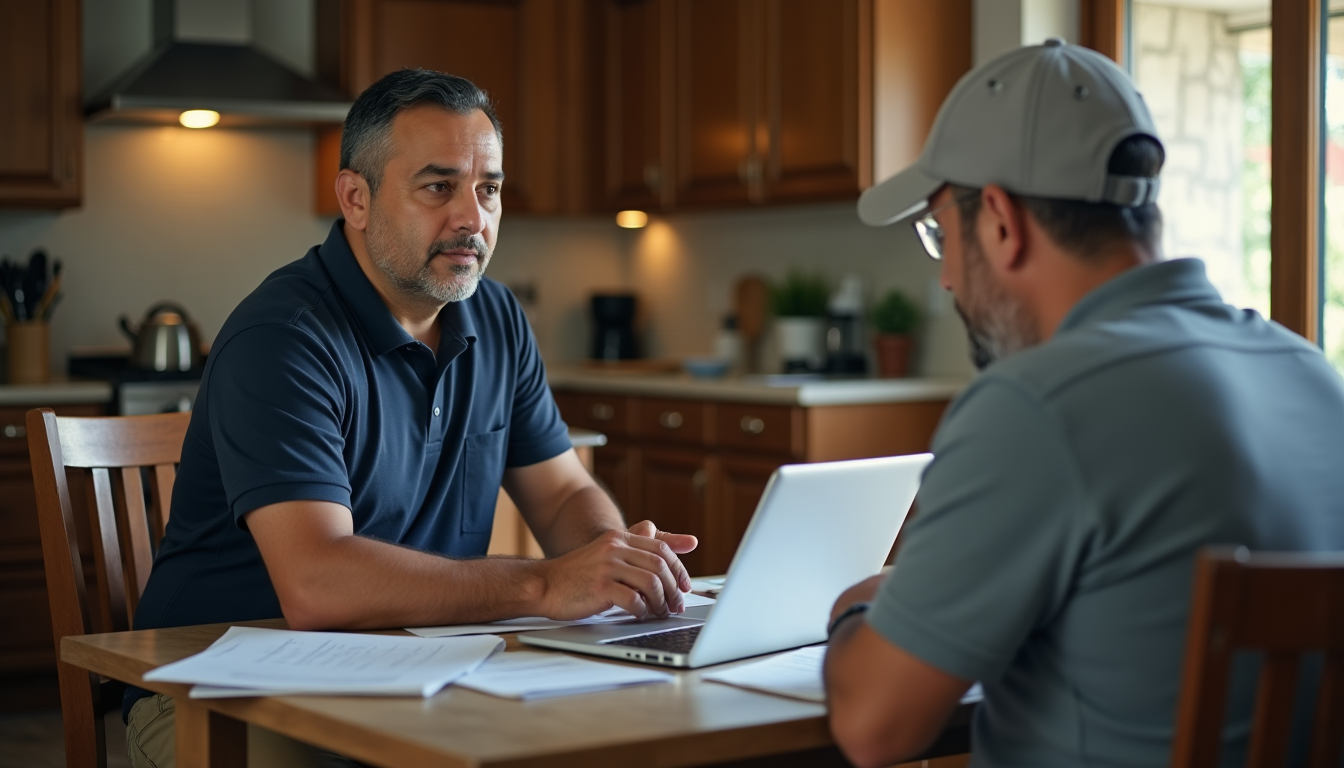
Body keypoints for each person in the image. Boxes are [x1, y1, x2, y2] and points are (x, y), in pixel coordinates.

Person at [124, 69, 697, 767]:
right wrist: (548, 583)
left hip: (422, 668)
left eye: (488, 189)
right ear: (356, 199)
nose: (472, 217)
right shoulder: (283, 337)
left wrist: (617, 568)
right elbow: (317, 584)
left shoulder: (496, 317)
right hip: (215, 693)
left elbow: (566, 492)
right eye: (438, 187)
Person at [823, 39, 1344, 768]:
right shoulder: (1312, 377)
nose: (945, 278)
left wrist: (858, 606)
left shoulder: (1036, 406)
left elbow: (874, 728)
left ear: (1000, 222)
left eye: (943, 233)